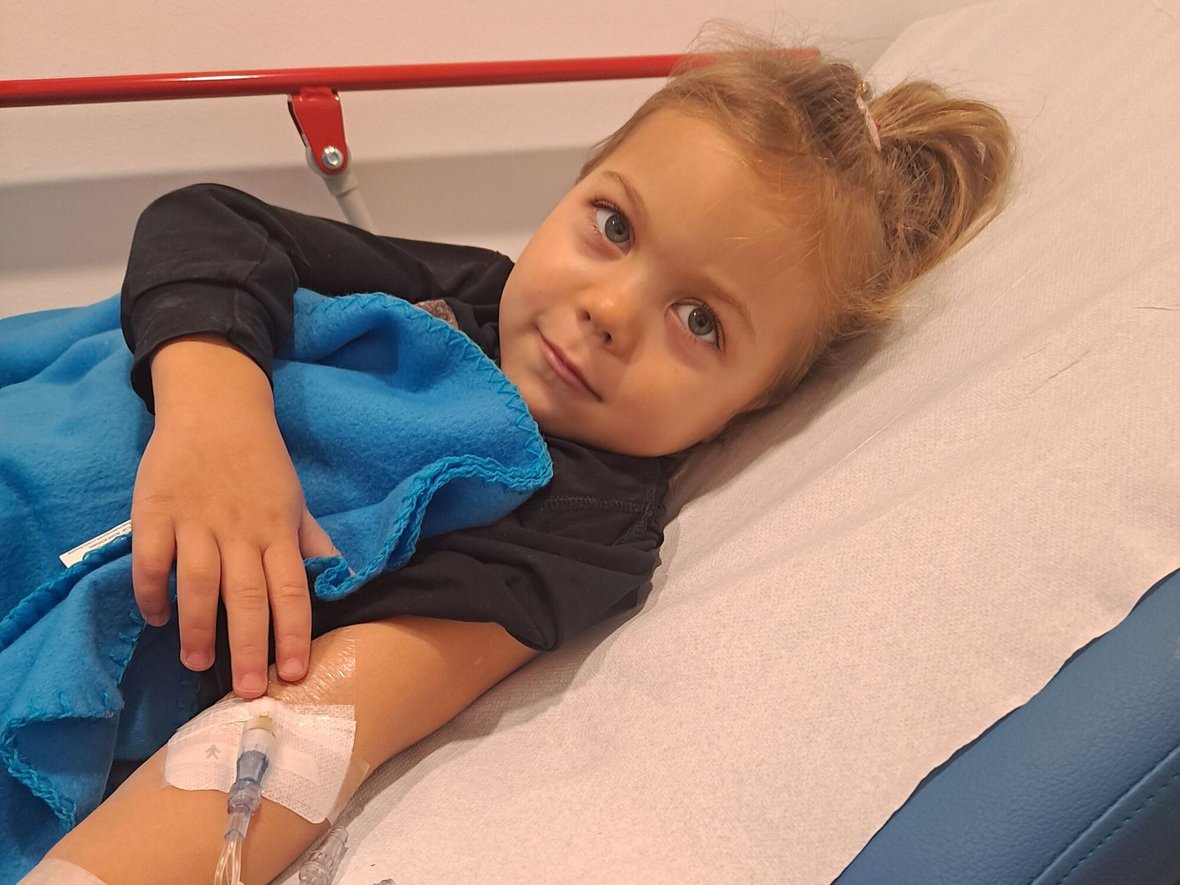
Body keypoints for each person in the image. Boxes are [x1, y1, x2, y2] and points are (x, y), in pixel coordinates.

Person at [28, 38, 1012, 884]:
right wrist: (214, 408)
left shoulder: (578, 526)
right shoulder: (468, 291)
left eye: (700, 320)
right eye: (614, 226)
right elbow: (209, 222)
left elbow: (307, 733)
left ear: (753, 402)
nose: (610, 310)